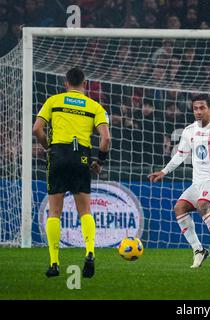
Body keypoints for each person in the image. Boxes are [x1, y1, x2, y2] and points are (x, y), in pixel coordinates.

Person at [33, 67, 111, 278]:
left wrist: (47, 147)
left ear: (66, 83)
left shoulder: (54, 101)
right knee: (85, 211)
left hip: (58, 154)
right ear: (84, 85)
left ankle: (54, 263)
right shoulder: (95, 106)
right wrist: (99, 162)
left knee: (54, 212)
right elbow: (106, 139)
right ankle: (90, 252)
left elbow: (36, 129)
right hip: (81, 157)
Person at [148, 94, 210, 268]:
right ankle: (199, 250)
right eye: (195, 108)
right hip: (197, 183)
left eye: (202, 108)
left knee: (203, 205)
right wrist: (164, 171)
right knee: (179, 208)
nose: (198, 112)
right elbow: (180, 155)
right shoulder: (189, 131)